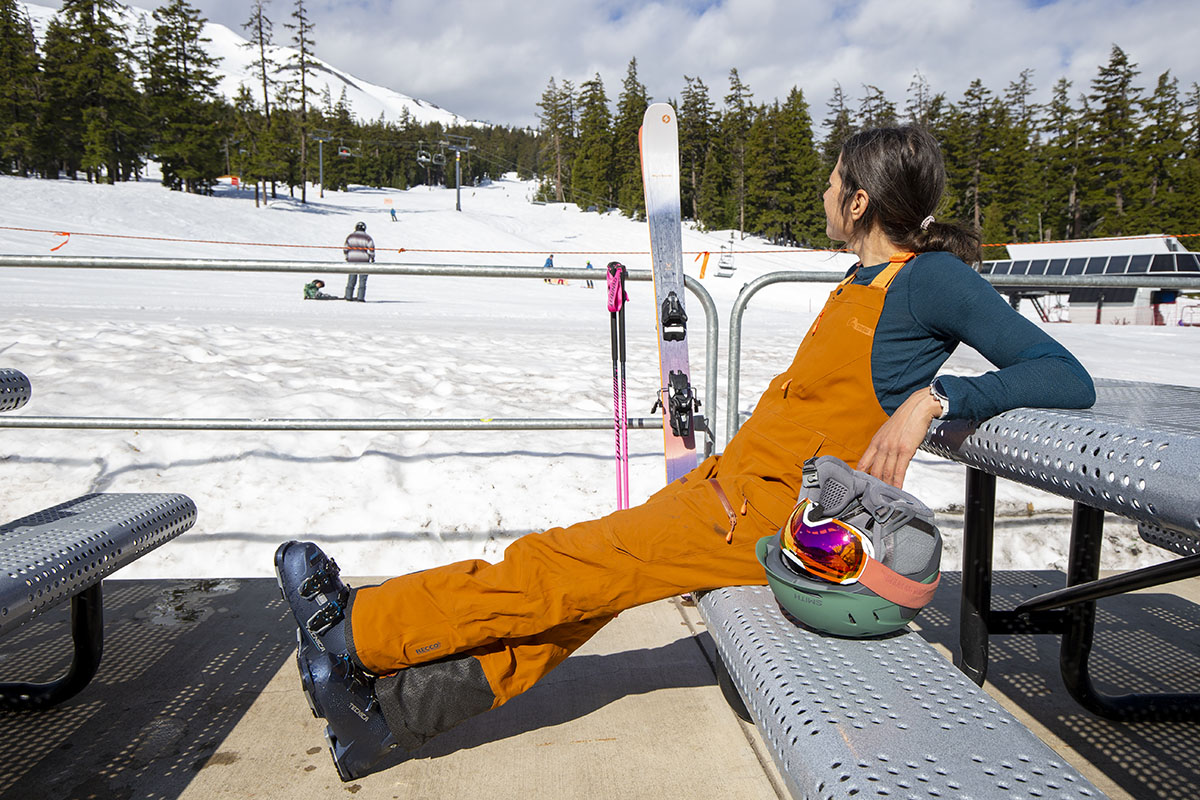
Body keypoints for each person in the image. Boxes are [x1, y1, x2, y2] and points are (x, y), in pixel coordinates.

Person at [276, 126, 1096, 780]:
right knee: (585, 590)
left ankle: (355, 633)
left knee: (563, 563)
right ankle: (386, 718)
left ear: (859, 199)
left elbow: (1063, 374)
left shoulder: (928, 281)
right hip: (732, 493)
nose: (821, 192)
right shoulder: (863, 282)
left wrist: (937, 399)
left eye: (831, 179)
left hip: (769, 519)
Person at [343, 221, 375, 302]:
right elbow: (371, 249)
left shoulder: (350, 237)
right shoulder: (368, 237)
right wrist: (372, 258)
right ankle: (360, 297)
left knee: (351, 279)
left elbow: (345, 248)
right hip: (364, 260)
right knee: (362, 280)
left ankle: (348, 296)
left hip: (352, 260)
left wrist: (347, 257)